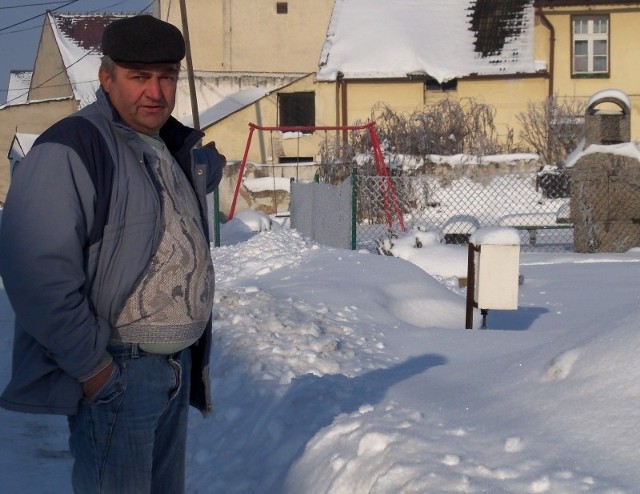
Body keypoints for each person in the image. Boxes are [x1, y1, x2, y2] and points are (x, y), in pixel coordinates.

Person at [0, 15, 226, 494]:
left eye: (166, 77)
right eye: (138, 77)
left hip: (173, 370)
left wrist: (207, 163)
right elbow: (35, 273)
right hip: (119, 373)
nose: (155, 92)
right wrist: (93, 369)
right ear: (106, 78)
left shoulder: (164, 143)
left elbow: (192, 174)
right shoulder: (72, 146)